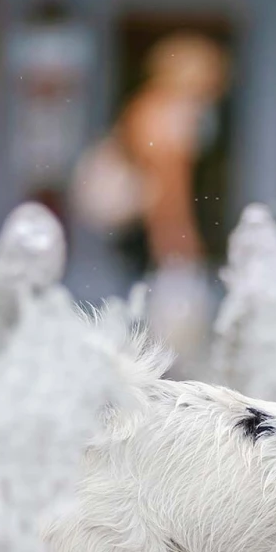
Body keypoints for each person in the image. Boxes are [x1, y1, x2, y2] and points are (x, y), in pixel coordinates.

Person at [73, 32, 228, 363]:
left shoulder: (147, 106)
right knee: (153, 319)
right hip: (147, 227)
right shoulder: (169, 114)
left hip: (136, 225)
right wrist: (177, 242)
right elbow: (169, 184)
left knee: (137, 308)